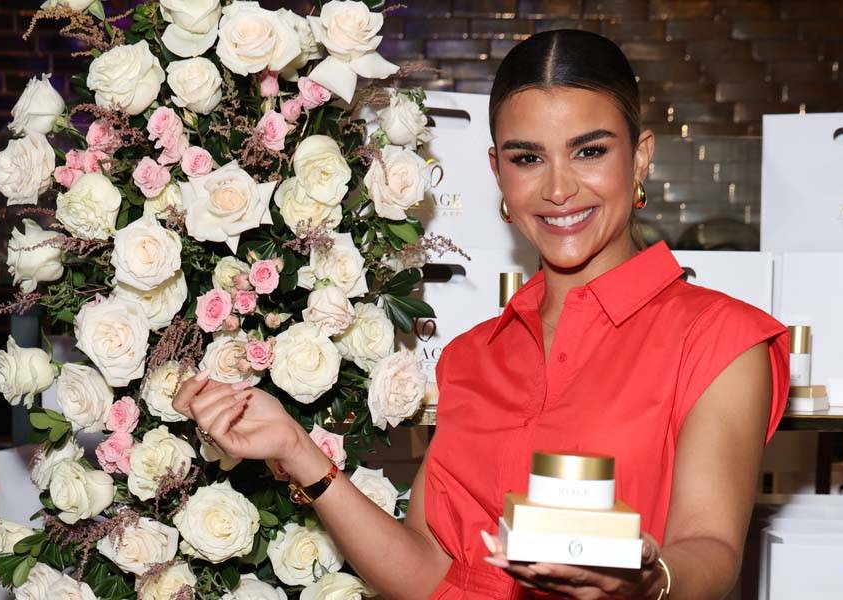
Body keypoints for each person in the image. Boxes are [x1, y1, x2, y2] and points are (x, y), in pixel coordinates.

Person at [173, 29, 789, 600]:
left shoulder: (720, 338)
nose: (557, 189)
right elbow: (429, 573)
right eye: (527, 158)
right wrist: (296, 448)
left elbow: (711, 548)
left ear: (641, 157)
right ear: (497, 171)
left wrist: (651, 579)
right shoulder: (474, 354)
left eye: (590, 151)